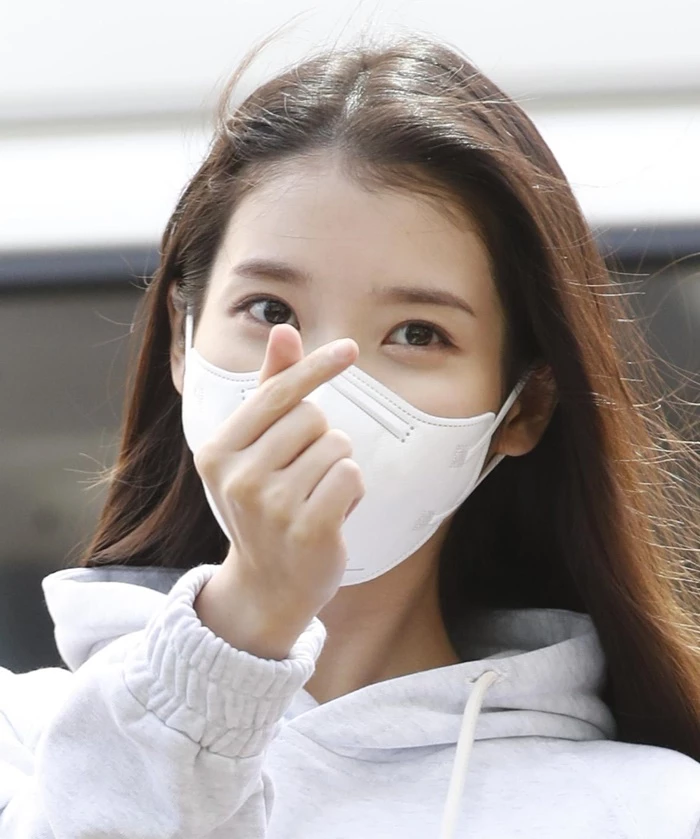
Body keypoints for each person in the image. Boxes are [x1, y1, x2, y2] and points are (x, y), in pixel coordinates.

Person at [1, 33, 699, 839]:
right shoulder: (31, 751)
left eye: (417, 332)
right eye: (270, 311)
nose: (324, 388)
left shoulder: (651, 810)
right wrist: (240, 626)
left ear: (523, 407)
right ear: (181, 342)